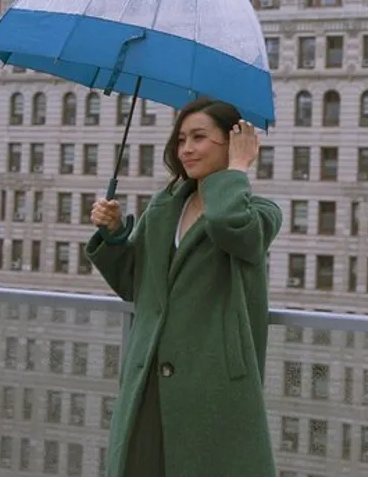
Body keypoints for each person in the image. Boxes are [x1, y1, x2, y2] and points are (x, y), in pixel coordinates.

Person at [86, 97, 282, 477]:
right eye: (181, 140)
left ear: (232, 142)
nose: (187, 149)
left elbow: (230, 224)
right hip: (149, 373)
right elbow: (136, 283)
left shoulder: (260, 215)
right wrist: (113, 235)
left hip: (212, 383)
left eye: (199, 137)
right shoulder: (164, 208)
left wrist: (238, 170)